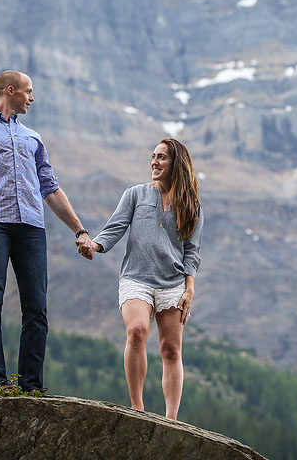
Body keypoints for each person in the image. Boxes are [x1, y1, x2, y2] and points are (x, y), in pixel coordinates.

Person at [0, 70, 93, 393]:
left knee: (37, 306)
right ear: (11, 90)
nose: (32, 98)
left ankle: (32, 386)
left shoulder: (33, 138)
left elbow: (51, 189)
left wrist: (80, 229)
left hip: (32, 227)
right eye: (28, 92)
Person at [78, 138, 202, 420]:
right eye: (153, 156)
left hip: (173, 284)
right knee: (136, 331)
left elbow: (192, 252)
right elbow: (115, 227)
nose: (154, 162)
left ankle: (171, 420)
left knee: (171, 350)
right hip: (136, 279)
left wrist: (189, 288)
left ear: (176, 164)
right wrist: (94, 246)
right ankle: (137, 409)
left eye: (162, 158)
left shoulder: (192, 205)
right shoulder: (135, 194)